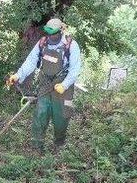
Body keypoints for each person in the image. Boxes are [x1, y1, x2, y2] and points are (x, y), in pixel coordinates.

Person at [7, 18, 82, 152]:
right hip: (45, 84)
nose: (51, 36)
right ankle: (37, 147)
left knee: (62, 117)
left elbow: (75, 70)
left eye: (53, 33)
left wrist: (64, 85)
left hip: (64, 87)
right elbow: (30, 61)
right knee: (40, 114)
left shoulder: (71, 45)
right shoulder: (42, 43)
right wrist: (18, 75)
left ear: (61, 31)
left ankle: (59, 145)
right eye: (48, 33)